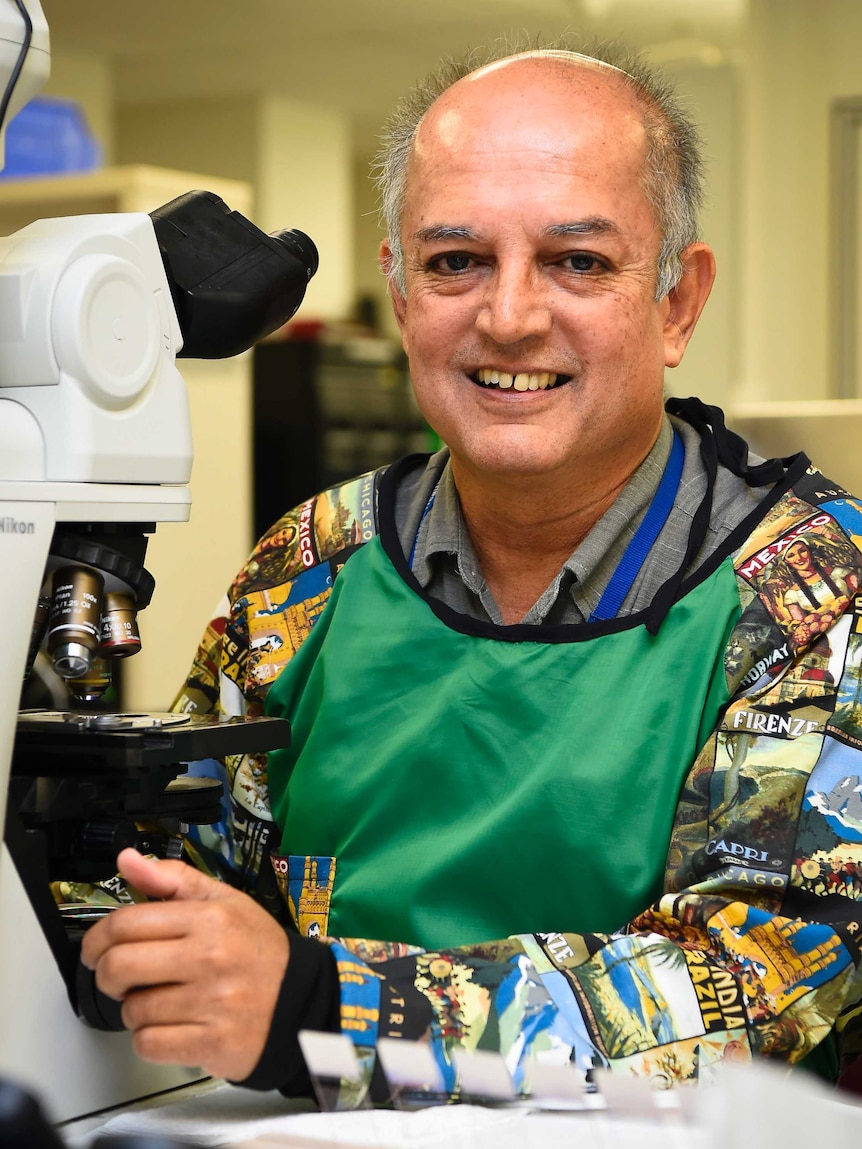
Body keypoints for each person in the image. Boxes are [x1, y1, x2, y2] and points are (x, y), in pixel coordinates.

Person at [81, 38, 862, 1099]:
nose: (508, 316)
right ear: (399, 293)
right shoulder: (308, 566)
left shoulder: (813, 592)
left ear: (676, 302)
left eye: (578, 261)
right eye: (455, 262)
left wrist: (327, 1007)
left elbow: (767, 982)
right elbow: (184, 871)